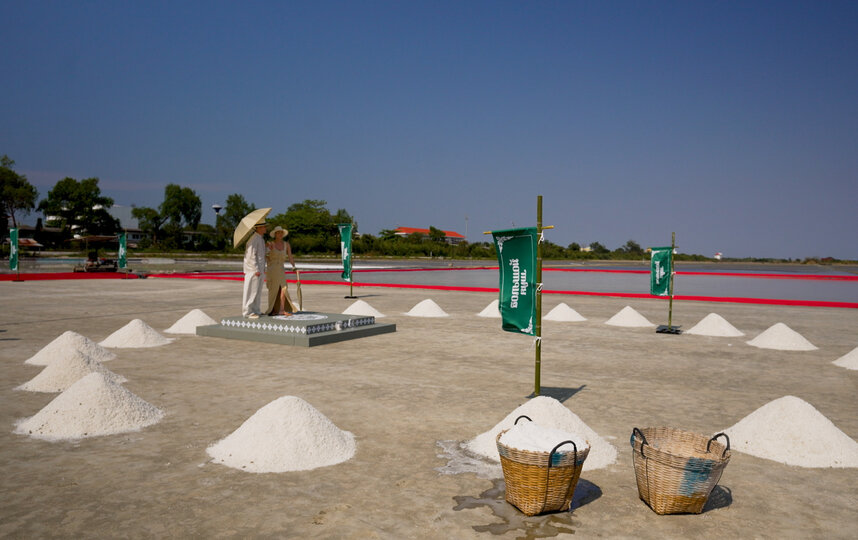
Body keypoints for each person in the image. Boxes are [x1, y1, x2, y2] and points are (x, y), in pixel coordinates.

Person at [265, 226, 297, 315]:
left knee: (284, 288)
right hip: (272, 269)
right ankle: (272, 309)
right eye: (278, 233)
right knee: (273, 289)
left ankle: (282, 309)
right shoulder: (270, 243)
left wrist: (294, 266)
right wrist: (268, 251)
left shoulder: (287, 244)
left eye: (281, 233)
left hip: (281, 269)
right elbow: (264, 255)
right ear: (275, 234)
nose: (280, 234)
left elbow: (290, 256)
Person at [242, 221, 267, 318]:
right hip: (253, 270)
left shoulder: (260, 239)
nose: (265, 228)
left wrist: (268, 248)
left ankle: (256, 310)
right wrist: (255, 269)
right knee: (251, 291)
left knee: (257, 291)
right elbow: (251, 255)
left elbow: (261, 254)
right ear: (258, 228)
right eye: (264, 227)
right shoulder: (253, 239)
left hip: (260, 269)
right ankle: (247, 312)